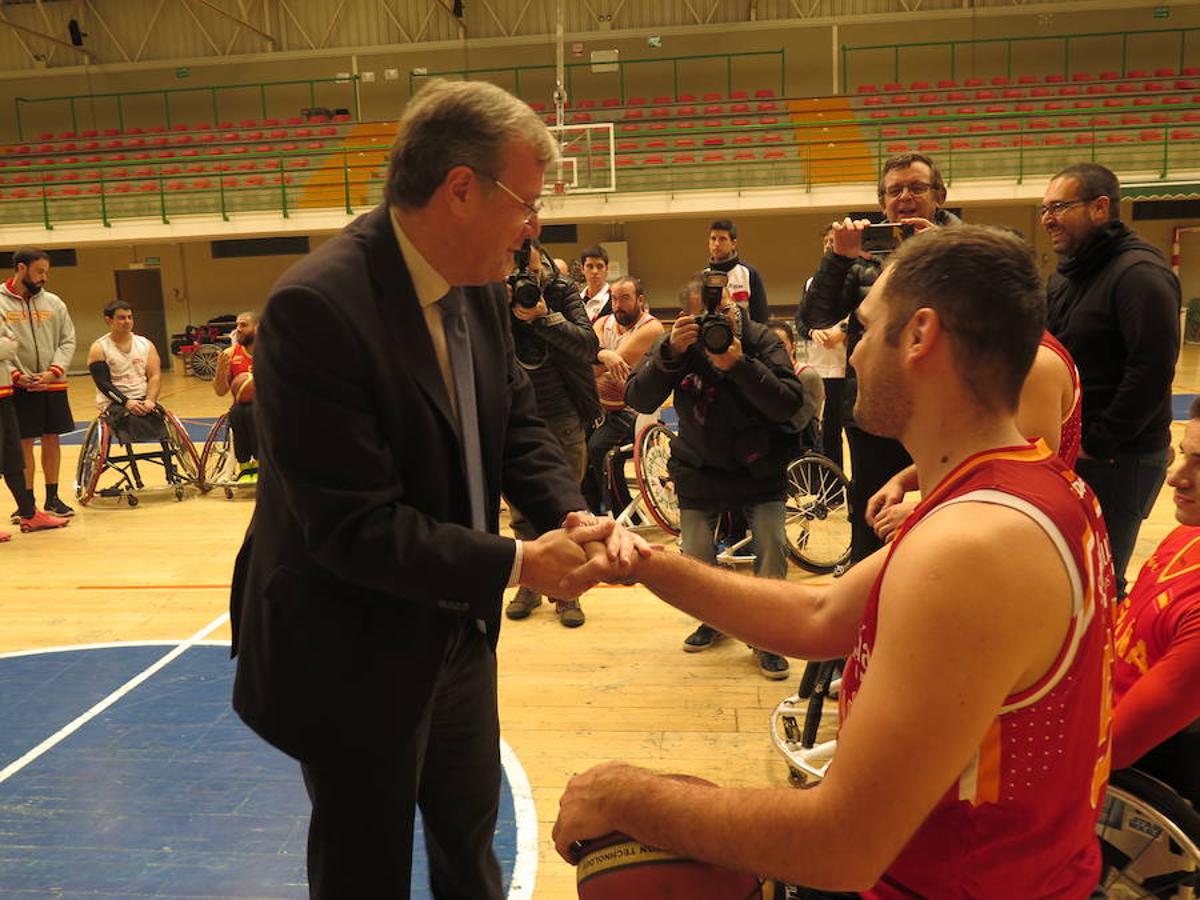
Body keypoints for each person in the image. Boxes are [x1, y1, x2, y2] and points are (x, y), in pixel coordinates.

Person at [555, 226, 1115, 898]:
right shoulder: (1019, 487)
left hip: (944, 885)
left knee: (627, 869)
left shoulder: (974, 546)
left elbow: (840, 847)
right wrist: (644, 563)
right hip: (996, 869)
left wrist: (626, 797)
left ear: (920, 337)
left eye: (865, 325)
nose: (849, 344)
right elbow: (823, 613)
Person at [229, 79, 642, 899]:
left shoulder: (481, 283)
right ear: (461, 188)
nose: (534, 226)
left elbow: (516, 425)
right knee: (365, 868)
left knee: (468, 844)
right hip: (352, 643)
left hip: (457, 629)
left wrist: (571, 508)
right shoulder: (318, 307)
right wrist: (522, 562)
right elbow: (351, 528)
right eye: (525, 202)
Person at [626, 290, 807, 679]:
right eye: (706, 313)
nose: (718, 320)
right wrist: (670, 353)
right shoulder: (679, 344)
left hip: (759, 466)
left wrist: (739, 364)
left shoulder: (759, 339)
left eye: (724, 309)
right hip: (699, 465)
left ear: (736, 307)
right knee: (694, 556)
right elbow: (638, 396)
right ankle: (714, 620)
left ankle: (769, 636)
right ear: (685, 317)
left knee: (772, 550)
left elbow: (789, 403)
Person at [800, 152, 961, 566]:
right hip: (876, 412)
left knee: (943, 511)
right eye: (895, 191)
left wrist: (941, 251)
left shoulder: (965, 249)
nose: (905, 197)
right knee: (870, 508)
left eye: (916, 187)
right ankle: (868, 596)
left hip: (943, 410)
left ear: (939, 196)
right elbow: (815, 318)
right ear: (883, 203)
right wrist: (838, 258)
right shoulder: (861, 262)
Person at [1043, 162, 1180, 596]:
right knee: (1071, 574)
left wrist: (1095, 442)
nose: (1047, 218)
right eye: (1044, 208)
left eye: (1059, 207)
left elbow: (1151, 371)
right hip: (1080, 451)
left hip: (1121, 458)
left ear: (1100, 207)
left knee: (1099, 579)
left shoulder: (1139, 274)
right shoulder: (1069, 274)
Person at [866, 326, 1081, 542]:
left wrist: (924, 509)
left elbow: (1029, 482)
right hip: (996, 525)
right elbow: (988, 453)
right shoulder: (1001, 353)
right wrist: (902, 480)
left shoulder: (1036, 364)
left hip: (1021, 533)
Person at [505, 240, 601, 628]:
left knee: (567, 509)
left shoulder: (561, 292)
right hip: (514, 413)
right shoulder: (496, 295)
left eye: (528, 262)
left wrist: (545, 317)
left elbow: (588, 344)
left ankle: (567, 589)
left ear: (539, 259)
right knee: (520, 509)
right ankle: (529, 581)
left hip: (563, 412)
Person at [1111, 395, 1200, 810]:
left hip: (1120, 756)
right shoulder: (1185, 536)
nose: (1175, 477)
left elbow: (1118, 746)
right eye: (1184, 454)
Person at [0, 247, 77, 520]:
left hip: (52, 383)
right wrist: (17, 375)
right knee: (23, 444)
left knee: (51, 439)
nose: (44, 277)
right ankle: (27, 502)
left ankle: (53, 497)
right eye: (39, 271)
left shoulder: (54, 302)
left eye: (46, 272)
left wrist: (53, 371)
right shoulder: (0, 302)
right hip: (18, 386)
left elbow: (67, 340)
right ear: (21, 268)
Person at [587, 275, 663, 514]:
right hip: (603, 411)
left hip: (637, 414)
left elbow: (596, 367)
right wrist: (604, 359)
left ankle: (619, 515)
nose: (618, 305)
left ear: (640, 300)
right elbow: (585, 366)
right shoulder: (602, 323)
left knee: (601, 449)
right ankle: (591, 510)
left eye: (625, 299)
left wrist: (602, 357)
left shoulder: (652, 328)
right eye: (614, 299)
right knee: (575, 443)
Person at [0, 315, 67, 537]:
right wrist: (6, 345)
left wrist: (7, 345)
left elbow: (11, 344)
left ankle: (29, 513)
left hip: (5, 393)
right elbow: (7, 347)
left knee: (12, 459)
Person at [799, 224, 848, 472]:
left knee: (835, 429)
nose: (829, 245)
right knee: (812, 426)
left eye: (834, 240)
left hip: (843, 366)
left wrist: (843, 331)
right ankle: (817, 483)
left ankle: (837, 483)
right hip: (816, 366)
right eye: (826, 241)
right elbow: (801, 321)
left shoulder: (854, 276)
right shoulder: (810, 283)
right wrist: (811, 331)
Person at [212, 311, 259, 484]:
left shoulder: (270, 351)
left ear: (258, 328)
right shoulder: (230, 354)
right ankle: (245, 466)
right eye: (237, 325)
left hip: (268, 405)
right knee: (237, 412)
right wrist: (220, 372)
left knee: (256, 411)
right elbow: (220, 391)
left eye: (244, 325)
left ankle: (262, 462)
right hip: (242, 406)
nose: (238, 329)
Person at [707, 218, 770, 324]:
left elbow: (761, 317)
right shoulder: (702, 276)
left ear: (733, 244)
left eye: (722, 239)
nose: (716, 244)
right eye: (713, 239)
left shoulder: (749, 273)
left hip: (746, 337)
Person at [579, 245, 612, 323]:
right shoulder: (576, 300)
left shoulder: (615, 299)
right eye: (590, 266)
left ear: (607, 269)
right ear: (582, 269)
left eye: (600, 266)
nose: (595, 271)